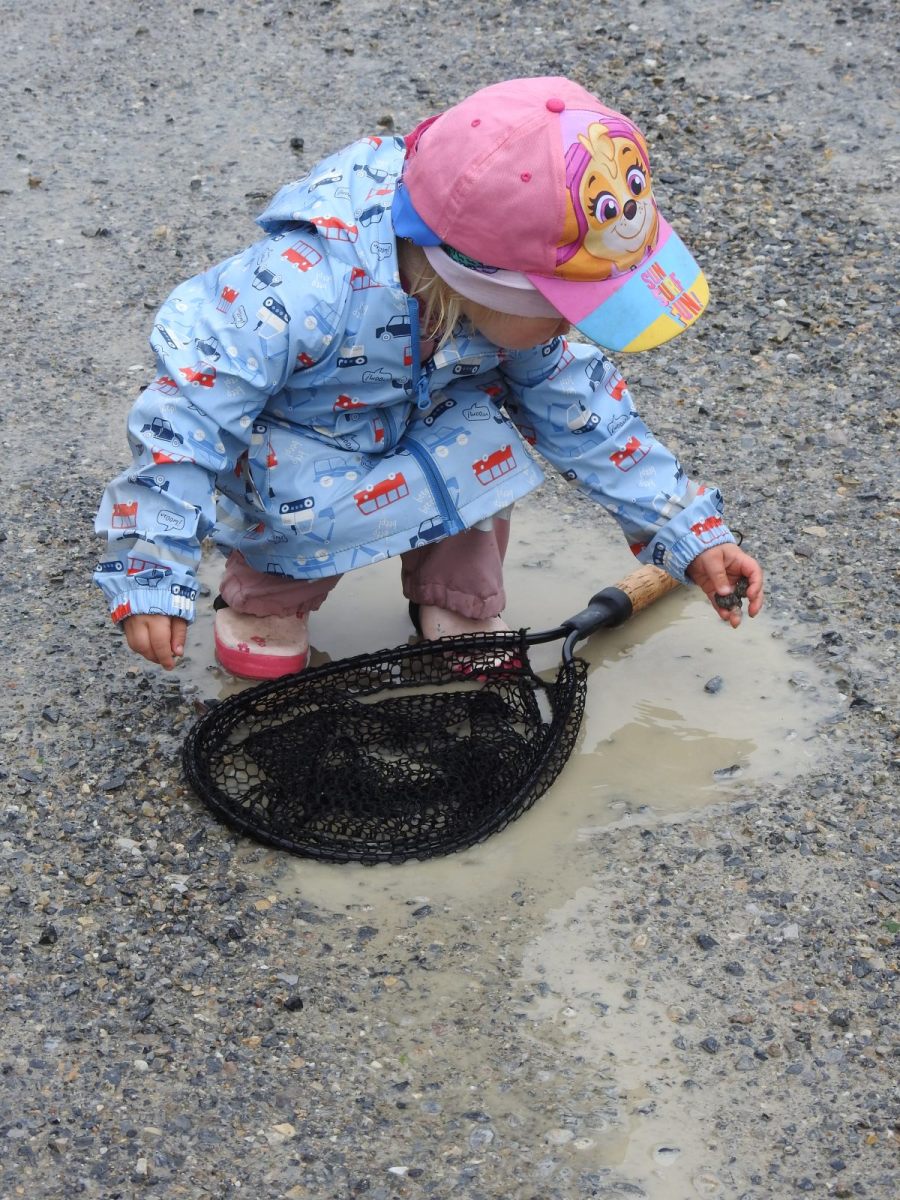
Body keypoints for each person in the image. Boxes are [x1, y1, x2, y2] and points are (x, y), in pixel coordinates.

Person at [94, 76, 764, 679]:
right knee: (293, 491)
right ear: (482, 280)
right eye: (565, 308)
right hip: (305, 438)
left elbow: (590, 419)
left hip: (429, 421)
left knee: (483, 444)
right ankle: (270, 595)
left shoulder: (507, 316)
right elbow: (186, 419)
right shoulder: (300, 290)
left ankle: (456, 597)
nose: (575, 326)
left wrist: (687, 531)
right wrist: (153, 567)